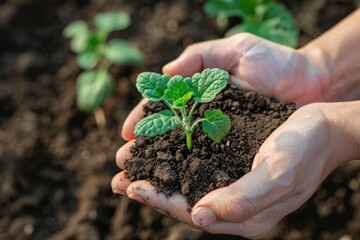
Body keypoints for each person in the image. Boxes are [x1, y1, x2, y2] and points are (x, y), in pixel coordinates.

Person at [111, 8, 360, 239]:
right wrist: (320, 69)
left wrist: (335, 127)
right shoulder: (178, 107)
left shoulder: (201, 107)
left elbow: (215, 120)